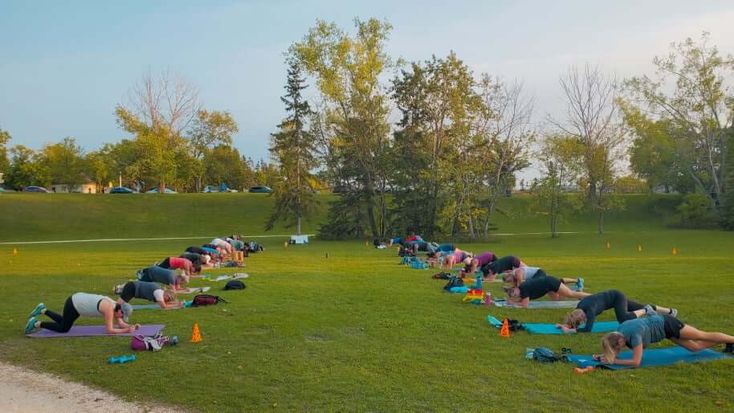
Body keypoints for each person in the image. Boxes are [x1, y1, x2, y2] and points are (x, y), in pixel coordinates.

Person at [598, 311, 734, 367]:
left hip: (669, 324)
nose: (618, 350)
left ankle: (731, 339)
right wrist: (605, 356)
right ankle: (726, 341)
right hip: (664, 330)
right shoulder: (620, 332)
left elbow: (636, 362)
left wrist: (615, 361)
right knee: (695, 348)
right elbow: (614, 347)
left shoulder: (635, 335)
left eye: (617, 348)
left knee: (702, 335)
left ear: (620, 341)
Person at [556, 290, 677, 333]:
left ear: (582, 314)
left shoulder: (590, 311)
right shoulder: (579, 306)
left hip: (617, 297)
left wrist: (571, 331)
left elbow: (587, 329)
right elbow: (574, 320)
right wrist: (564, 326)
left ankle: (646, 310)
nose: (584, 319)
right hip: (614, 296)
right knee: (638, 307)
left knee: (623, 319)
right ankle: (671, 312)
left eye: (582, 319)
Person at [24, 293, 138, 334]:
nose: (121, 318)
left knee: (64, 322)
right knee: (64, 328)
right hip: (74, 304)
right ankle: (35, 323)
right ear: (120, 311)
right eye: (122, 315)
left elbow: (121, 323)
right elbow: (109, 330)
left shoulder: (116, 307)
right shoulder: (109, 308)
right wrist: (126, 331)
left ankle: (42, 310)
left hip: (77, 302)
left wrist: (132, 326)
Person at [504, 273, 590, 308]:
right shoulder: (521, 290)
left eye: (513, 292)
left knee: (570, 294)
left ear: (515, 287)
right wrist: (513, 300)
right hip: (547, 287)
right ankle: (577, 291)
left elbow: (525, 305)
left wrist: (513, 303)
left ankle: (591, 296)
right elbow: (522, 299)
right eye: (514, 295)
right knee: (557, 300)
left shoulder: (523, 289)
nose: (515, 295)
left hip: (550, 282)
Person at [504, 266, 583, 291]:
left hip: (539, 273)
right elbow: (516, 285)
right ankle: (577, 280)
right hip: (537, 274)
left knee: (552, 284)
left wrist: (514, 289)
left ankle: (576, 282)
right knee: (556, 282)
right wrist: (509, 288)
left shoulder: (517, 273)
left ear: (509, 275)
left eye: (509, 280)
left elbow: (520, 283)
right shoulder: (514, 276)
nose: (510, 281)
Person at [118, 281, 184, 309]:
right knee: (118, 306)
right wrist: (177, 305)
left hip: (133, 288)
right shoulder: (159, 293)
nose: (167, 299)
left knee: (120, 306)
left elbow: (165, 304)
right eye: (168, 298)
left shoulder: (160, 291)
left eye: (169, 299)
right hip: (132, 288)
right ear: (166, 293)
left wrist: (176, 303)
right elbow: (163, 306)